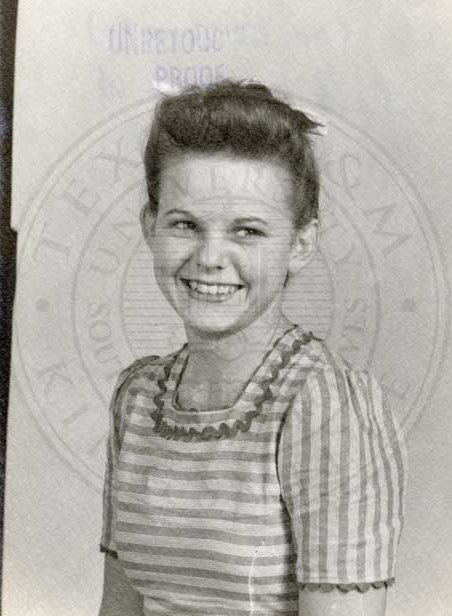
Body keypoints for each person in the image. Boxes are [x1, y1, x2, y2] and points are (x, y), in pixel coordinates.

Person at [98, 80, 408, 616]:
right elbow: (117, 608)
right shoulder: (138, 396)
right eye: (185, 224)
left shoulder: (325, 407)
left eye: (247, 231)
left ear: (300, 244)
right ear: (150, 227)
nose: (210, 257)